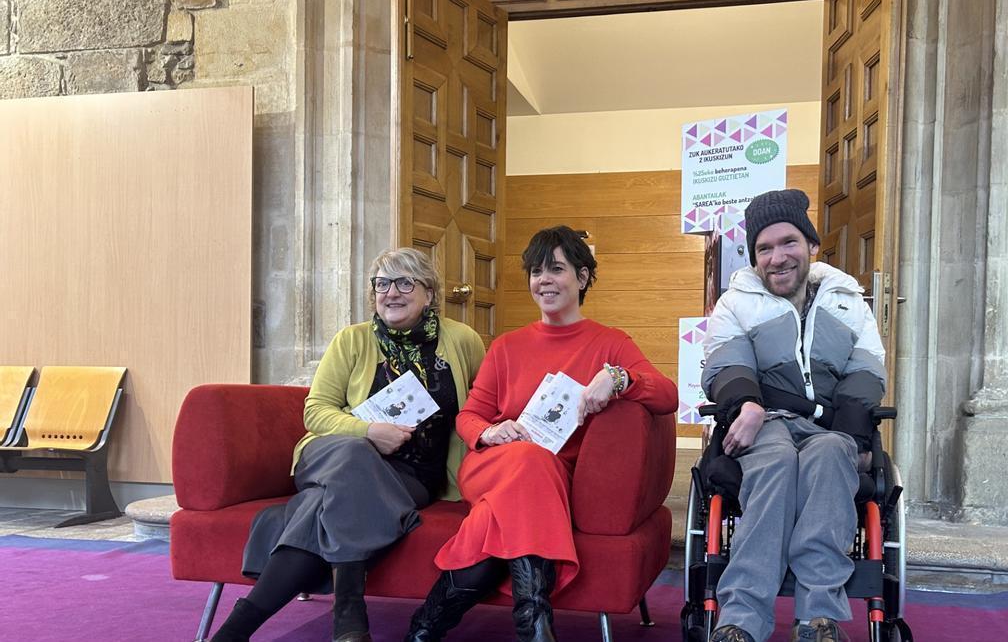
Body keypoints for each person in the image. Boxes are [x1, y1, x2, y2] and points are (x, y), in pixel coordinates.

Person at [404, 225, 677, 642]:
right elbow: (469, 416)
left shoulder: (609, 343)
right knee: (528, 460)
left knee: (513, 497)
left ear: (582, 278)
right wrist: (491, 432)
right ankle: (533, 627)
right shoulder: (507, 346)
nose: (543, 280)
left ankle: (425, 628)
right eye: (536, 271)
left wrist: (618, 378)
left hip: (552, 477)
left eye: (556, 269)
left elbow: (667, 394)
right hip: (493, 465)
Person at [211, 248, 485, 642]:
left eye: (405, 282)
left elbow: (481, 402)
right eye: (382, 284)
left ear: (430, 293)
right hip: (331, 456)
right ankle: (348, 611)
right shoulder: (352, 340)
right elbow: (316, 412)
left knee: (315, 509)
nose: (392, 292)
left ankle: (235, 630)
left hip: (409, 476)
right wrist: (368, 432)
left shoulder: (462, 340)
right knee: (354, 455)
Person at [701, 189, 886, 642]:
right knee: (776, 460)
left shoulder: (848, 302)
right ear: (754, 256)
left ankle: (818, 619)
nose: (777, 257)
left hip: (830, 426)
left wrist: (854, 440)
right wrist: (746, 403)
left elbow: (866, 371)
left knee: (828, 454)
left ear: (811, 246)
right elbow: (728, 363)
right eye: (764, 248)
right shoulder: (736, 302)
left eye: (788, 243)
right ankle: (741, 620)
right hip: (764, 421)